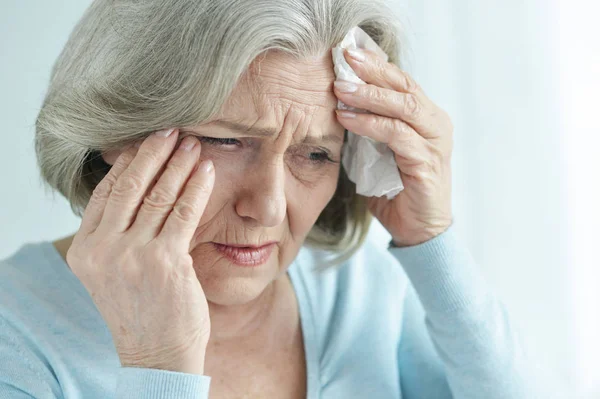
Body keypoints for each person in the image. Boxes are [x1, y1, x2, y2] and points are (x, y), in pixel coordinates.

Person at [0, 0, 543, 398]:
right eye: (225, 140)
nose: (269, 208)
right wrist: (160, 368)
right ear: (116, 137)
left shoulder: (357, 294)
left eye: (314, 156)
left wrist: (430, 241)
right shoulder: (16, 337)